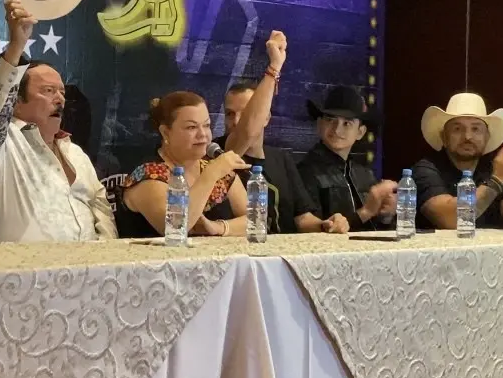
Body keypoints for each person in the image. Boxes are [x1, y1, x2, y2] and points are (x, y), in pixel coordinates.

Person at [0, 0, 117, 242]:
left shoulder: (75, 152)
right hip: (24, 276)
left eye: (62, 92)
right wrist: (17, 45)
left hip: (90, 273)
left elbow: (101, 210)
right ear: (16, 101)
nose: (60, 99)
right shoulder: (4, 145)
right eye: (48, 91)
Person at [214, 32, 349, 234]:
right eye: (229, 114)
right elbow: (247, 131)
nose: (235, 121)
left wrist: (325, 225)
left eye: (246, 112)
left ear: (266, 116)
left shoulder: (281, 159)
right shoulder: (219, 153)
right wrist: (274, 67)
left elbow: (302, 218)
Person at [118, 92, 251, 238]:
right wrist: (210, 174)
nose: (203, 134)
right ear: (165, 133)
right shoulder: (148, 175)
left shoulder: (216, 169)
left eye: (206, 125)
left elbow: (256, 221)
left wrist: (218, 227)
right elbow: (174, 227)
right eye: (191, 127)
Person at [413, 92, 503, 230]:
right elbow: (451, 221)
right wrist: (496, 181)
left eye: (476, 129)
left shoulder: (494, 167)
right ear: (444, 137)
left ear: (487, 137)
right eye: (457, 129)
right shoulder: (425, 169)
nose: (467, 136)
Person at [298, 86, 397, 231]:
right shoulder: (304, 172)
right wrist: (366, 212)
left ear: (360, 132)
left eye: (347, 123)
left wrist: (387, 214)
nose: (337, 129)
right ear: (319, 125)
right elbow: (317, 230)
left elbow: (377, 232)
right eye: (330, 120)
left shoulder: (365, 175)